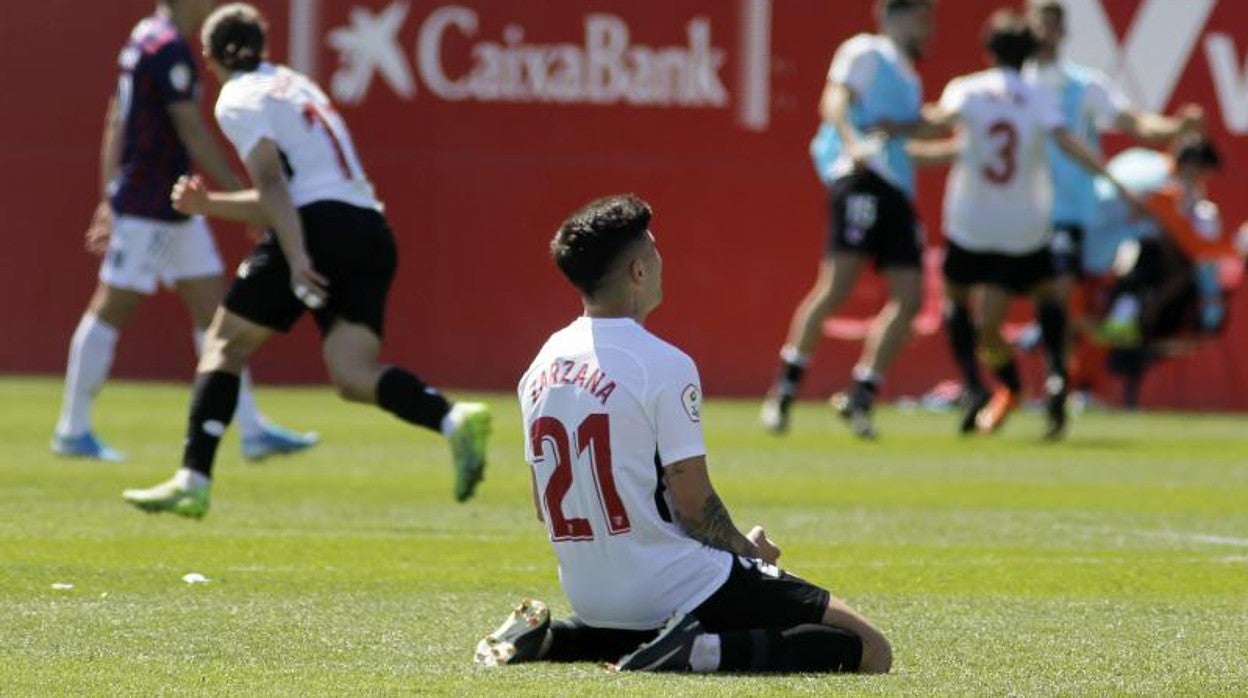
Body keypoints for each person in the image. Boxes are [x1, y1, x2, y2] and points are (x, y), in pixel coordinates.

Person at [474, 195, 892, 674]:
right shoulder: (664, 363)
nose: (660, 260)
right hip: (667, 584)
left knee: (673, 613)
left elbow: (541, 505)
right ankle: (694, 652)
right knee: (866, 647)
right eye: (653, 249)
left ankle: (557, 639)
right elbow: (696, 510)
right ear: (637, 271)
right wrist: (749, 553)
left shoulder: (540, 364)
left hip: (588, 594)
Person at [122, 3, 491, 518]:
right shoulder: (296, 85)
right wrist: (210, 206)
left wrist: (296, 257)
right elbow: (296, 191)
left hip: (316, 230)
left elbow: (274, 186)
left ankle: (192, 479)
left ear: (211, 56)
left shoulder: (237, 97)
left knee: (224, 344)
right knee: (353, 373)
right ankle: (452, 418)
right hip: (369, 228)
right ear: (262, 47)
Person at [52, 0, 317, 463]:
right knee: (113, 305)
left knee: (216, 312)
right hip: (150, 201)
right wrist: (244, 197)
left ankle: (251, 428)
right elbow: (192, 131)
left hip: (170, 199)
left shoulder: (145, 36)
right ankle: (72, 429)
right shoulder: (169, 48)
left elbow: (117, 114)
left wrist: (107, 190)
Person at [922, 9, 1141, 438]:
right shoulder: (1040, 97)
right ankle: (1058, 374)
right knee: (1047, 295)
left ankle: (976, 384)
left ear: (987, 50)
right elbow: (1068, 143)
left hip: (973, 222)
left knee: (961, 306)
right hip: (1025, 224)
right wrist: (1112, 177)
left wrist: (895, 130)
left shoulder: (967, 89)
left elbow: (939, 122)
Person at [762, 0, 940, 439]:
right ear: (894, 15)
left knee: (910, 298)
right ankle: (784, 390)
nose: (927, 27)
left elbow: (909, 135)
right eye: (921, 16)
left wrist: (955, 136)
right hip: (861, 180)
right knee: (837, 286)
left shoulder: (909, 76)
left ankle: (861, 395)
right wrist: (852, 143)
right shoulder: (864, 51)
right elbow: (834, 100)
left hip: (897, 190)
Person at [1017, 0, 1203, 410]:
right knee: (1008, 299)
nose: (1045, 35)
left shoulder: (1083, 86)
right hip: (1013, 212)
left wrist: (1173, 127)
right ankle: (1015, 383)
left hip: (1065, 211)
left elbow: (1132, 122)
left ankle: (1056, 381)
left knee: (1060, 291)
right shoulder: (1010, 86)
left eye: (1052, 26)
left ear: (1063, 33)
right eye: (1038, 26)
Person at [1093, 138, 1248, 405]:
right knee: (1154, 255)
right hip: (1112, 269)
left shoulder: (1195, 204)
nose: (1202, 181)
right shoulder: (1161, 187)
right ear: (1189, 166)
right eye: (1202, 173)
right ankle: (1125, 314)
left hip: (1150, 286)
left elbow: (1197, 250)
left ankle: (1128, 318)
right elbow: (1193, 246)